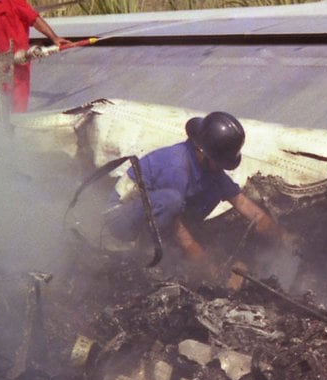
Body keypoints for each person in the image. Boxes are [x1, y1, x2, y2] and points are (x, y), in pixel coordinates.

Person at [107, 111, 291, 274]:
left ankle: (168, 251)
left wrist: (283, 236)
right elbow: (176, 226)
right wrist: (205, 265)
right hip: (120, 221)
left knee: (203, 203)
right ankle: (145, 253)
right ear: (203, 153)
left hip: (160, 218)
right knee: (171, 200)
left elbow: (243, 204)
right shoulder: (176, 166)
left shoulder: (211, 169)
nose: (222, 167)